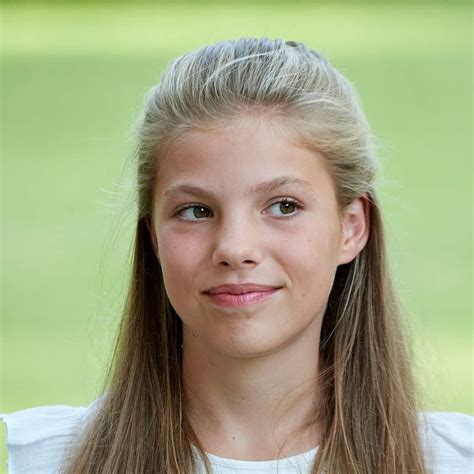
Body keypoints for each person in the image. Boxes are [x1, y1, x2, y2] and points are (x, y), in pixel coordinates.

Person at [1, 37, 472, 474]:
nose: (234, 248)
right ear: (154, 239)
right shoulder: (39, 459)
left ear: (351, 227)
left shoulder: (451, 462)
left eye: (284, 206)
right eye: (196, 210)